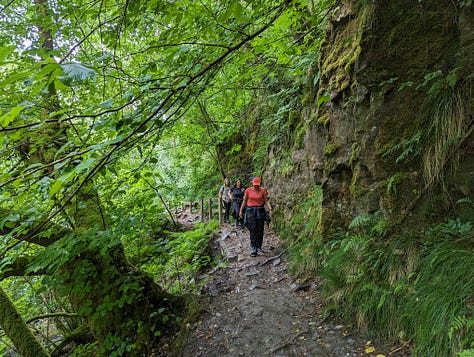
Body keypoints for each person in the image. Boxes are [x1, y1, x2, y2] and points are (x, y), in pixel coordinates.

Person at [239, 176, 273, 257]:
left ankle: (259, 246)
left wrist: (270, 209)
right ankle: (253, 247)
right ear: (252, 184)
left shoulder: (263, 191)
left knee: (260, 229)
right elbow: (244, 201)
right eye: (254, 185)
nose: (256, 186)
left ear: (259, 184)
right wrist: (241, 211)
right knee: (253, 229)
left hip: (260, 211)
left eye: (257, 185)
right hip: (251, 211)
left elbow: (266, 200)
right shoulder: (248, 190)